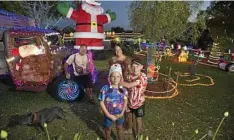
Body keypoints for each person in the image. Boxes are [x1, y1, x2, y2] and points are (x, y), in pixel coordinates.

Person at [99, 64, 128, 140]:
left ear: (121, 78)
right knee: (108, 128)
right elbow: (101, 102)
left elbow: (125, 100)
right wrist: (108, 115)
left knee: (119, 128)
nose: (115, 79)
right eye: (113, 76)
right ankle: (107, 138)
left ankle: (120, 138)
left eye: (118, 76)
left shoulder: (123, 90)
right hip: (109, 114)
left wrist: (122, 113)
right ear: (109, 77)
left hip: (119, 114)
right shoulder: (105, 89)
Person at [121, 58, 147, 140]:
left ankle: (138, 135)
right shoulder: (131, 75)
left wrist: (118, 81)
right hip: (130, 100)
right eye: (133, 66)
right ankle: (129, 129)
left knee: (138, 119)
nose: (135, 68)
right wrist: (126, 69)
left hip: (139, 103)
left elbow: (129, 85)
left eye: (137, 66)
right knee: (129, 116)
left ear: (141, 67)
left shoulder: (142, 77)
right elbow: (127, 77)